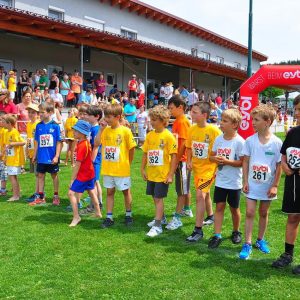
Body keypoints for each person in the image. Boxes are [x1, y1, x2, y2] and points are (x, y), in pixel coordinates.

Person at [239, 105, 282, 260]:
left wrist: (275, 185)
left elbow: (279, 166)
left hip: (267, 186)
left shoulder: (277, 143)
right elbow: (245, 161)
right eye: (252, 119)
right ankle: (247, 243)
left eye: (256, 120)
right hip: (252, 184)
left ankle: (260, 240)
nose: (253, 123)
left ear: (267, 121)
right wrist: (245, 180)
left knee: (263, 212)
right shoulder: (250, 141)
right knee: (250, 212)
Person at [94, 103, 136, 228]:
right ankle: (109, 217)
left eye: (109, 116)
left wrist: (128, 162)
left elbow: (132, 149)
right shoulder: (104, 130)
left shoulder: (125, 131)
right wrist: (100, 129)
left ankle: (128, 214)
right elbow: (96, 143)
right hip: (108, 169)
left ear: (118, 117)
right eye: (105, 116)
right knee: (110, 192)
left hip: (121, 169)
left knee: (125, 191)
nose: (106, 119)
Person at [208, 108, 244, 248]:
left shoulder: (240, 141)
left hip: (235, 182)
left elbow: (242, 162)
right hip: (221, 181)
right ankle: (217, 235)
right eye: (221, 120)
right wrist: (214, 158)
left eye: (224, 121)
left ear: (234, 124)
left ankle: (236, 231)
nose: (221, 123)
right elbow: (211, 156)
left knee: (234, 208)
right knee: (219, 207)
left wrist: (226, 161)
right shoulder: (219, 139)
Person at [185, 102, 222, 242]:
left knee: (200, 195)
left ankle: (198, 230)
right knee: (204, 194)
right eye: (191, 111)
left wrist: (218, 168)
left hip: (209, 169)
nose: (191, 114)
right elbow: (189, 147)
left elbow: (221, 150)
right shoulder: (192, 129)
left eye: (195, 112)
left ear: (204, 115)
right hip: (196, 169)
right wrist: (189, 161)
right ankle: (211, 216)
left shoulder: (214, 131)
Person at [272, 96, 300, 275]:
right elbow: (283, 156)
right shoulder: (292, 133)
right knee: (292, 218)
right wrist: (285, 166)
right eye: (296, 110)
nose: (297, 113)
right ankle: (287, 254)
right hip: (293, 183)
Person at [141, 105, 177, 237]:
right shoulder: (150, 135)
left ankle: (157, 226)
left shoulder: (168, 136)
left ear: (163, 121)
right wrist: (142, 169)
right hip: (152, 173)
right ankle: (161, 219)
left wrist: (170, 174)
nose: (151, 122)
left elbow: (174, 156)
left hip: (162, 174)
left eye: (154, 119)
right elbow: (145, 153)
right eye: (151, 119)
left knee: (158, 198)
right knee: (154, 197)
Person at [68, 120, 102, 227]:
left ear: (82, 133)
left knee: (71, 193)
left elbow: (78, 165)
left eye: (76, 131)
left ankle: (76, 217)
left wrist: (72, 179)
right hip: (90, 173)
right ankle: (98, 213)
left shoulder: (82, 145)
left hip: (83, 175)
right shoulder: (85, 143)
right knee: (91, 192)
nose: (74, 132)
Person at [166, 95, 192, 231]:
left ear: (180, 107)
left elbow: (184, 144)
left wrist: (176, 160)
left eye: (171, 108)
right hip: (181, 160)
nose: (170, 111)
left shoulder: (182, 122)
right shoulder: (178, 121)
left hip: (182, 160)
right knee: (184, 187)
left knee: (181, 190)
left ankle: (177, 218)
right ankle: (187, 209)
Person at [29, 102, 62, 206]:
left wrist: (56, 156)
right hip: (41, 157)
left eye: (42, 112)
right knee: (40, 176)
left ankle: (56, 196)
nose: (40, 114)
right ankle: (41, 197)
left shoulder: (55, 126)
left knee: (54, 175)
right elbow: (37, 142)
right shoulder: (38, 126)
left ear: (50, 112)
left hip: (52, 157)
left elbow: (59, 142)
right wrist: (35, 155)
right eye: (39, 112)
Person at [3, 114, 25, 201]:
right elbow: (6, 147)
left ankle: (16, 196)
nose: (2, 123)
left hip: (15, 159)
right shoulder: (6, 132)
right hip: (10, 159)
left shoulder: (14, 132)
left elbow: (22, 142)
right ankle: (17, 194)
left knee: (12, 177)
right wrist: (5, 158)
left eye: (4, 122)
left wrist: (12, 144)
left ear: (9, 123)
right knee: (12, 176)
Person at [86, 105, 103, 210]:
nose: (87, 117)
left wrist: (91, 160)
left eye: (89, 115)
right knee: (94, 181)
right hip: (92, 159)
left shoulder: (96, 129)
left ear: (96, 116)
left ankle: (96, 204)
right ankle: (97, 203)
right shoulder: (91, 128)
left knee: (95, 182)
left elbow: (96, 146)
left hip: (95, 159)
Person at [25, 103, 40, 202]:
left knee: (38, 174)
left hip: (37, 152)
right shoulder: (29, 124)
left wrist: (35, 153)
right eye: (29, 112)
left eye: (33, 112)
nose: (30, 114)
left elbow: (37, 140)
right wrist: (27, 149)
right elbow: (29, 138)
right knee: (36, 174)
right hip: (31, 152)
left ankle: (38, 193)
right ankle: (37, 192)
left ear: (37, 114)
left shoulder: (38, 124)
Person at [0, 112, 8, 196]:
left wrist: (3, 154)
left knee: (4, 174)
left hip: (4, 156)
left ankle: (3, 189)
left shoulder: (5, 131)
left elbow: (6, 144)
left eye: (2, 120)